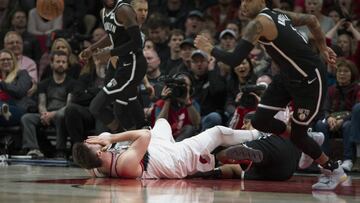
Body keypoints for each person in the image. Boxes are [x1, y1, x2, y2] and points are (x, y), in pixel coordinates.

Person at [194, 0, 345, 190]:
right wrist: (322, 47)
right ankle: (309, 137)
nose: (243, 5)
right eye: (241, 2)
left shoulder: (259, 23)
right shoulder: (279, 14)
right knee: (260, 121)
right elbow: (311, 20)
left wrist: (209, 49)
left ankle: (333, 169)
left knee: (298, 138)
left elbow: (235, 59)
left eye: (248, 1)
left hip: (310, 79)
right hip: (287, 77)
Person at [73, 118, 261, 179]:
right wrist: (112, 137)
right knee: (218, 132)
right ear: (99, 152)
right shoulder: (123, 165)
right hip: (174, 160)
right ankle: (259, 135)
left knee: (161, 122)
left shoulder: (94, 165)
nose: (93, 139)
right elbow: (144, 136)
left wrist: (105, 140)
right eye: (91, 143)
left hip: (155, 149)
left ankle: (214, 159)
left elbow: (85, 158)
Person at [79, 0, 147, 132]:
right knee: (122, 108)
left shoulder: (123, 10)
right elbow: (112, 37)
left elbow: (137, 42)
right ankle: (140, 134)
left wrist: (111, 53)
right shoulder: (103, 12)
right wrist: (92, 49)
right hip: (123, 64)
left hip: (133, 64)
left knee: (96, 106)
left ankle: (123, 136)